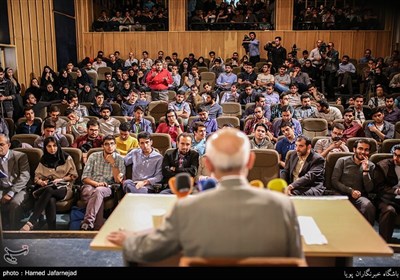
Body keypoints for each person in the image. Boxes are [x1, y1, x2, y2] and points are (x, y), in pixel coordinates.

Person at [107, 128, 303, 263]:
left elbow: (150, 250)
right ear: (250, 161)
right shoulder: (282, 206)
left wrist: (130, 238)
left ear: (208, 165)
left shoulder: (186, 208)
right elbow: (295, 259)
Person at [20, 137, 78, 230]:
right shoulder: (43, 159)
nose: (52, 149)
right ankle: (52, 230)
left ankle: (31, 221)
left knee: (48, 190)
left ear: (58, 146)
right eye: (49, 146)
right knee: (50, 198)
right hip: (49, 187)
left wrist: (61, 179)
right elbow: (36, 178)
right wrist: (41, 182)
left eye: (54, 146)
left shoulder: (66, 157)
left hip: (64, 187)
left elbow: (74, 176)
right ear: (45, 147)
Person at [80, 135, 125, 230]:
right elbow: (84, 177)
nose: (109, 146)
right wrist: (96, 184)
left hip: (107, 187)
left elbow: (118, 180)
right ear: (102, 146)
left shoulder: (119, 159)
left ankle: (87, 222)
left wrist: (113, 164)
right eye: (107, 144)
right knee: (94, 194)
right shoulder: (93, 156)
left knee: (98, 191)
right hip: (91, 185)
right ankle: (98, 226)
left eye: (112, 144)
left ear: (115, 145)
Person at [331, 139, 376, 225]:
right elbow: (334, 181)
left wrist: (366, 171)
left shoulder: (371, 165)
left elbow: (369, 189)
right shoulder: (342, 161)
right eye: (360, 148)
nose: (363, 152)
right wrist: (350, 191)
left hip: (360, 196)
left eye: (366, 150)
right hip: (341, 193)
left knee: (368, 206)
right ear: (354, 149)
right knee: (340, 207)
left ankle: (368, 234)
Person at [0, 134, 30, 230]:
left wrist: (11, 192)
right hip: (2, 187)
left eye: (1, 144)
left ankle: (13, 230)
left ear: (8, 145)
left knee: (15, 203)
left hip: (19, 188)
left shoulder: (20, 156)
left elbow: (25, 176)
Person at [374, 144, 400, 242]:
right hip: (386, 199)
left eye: (399, 156)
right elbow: (379, 187)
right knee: (389, 211)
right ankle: (384, 242)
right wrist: (396, 191)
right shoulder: (382, 165)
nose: (396, 158)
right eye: (395, 155)